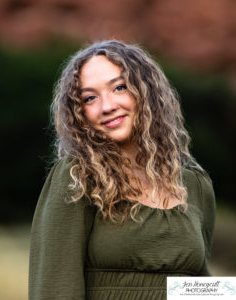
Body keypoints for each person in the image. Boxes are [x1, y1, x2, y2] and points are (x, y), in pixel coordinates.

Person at [29, 40, 216, 300]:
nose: (107, 106)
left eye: (119, 87)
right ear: (79, 112)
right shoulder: (78, 176)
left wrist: (229, 291)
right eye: (90, 98)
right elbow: (55, 287)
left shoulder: (194, 183)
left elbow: (189, 288)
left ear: (147, 91)